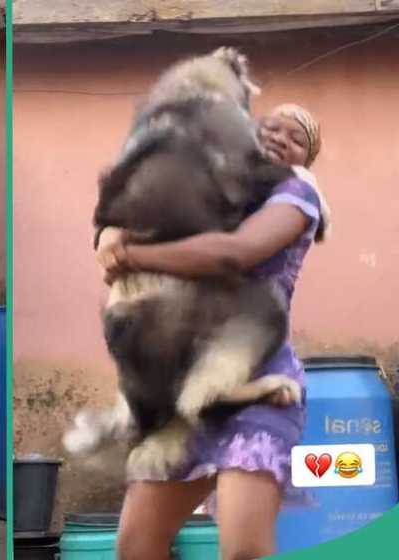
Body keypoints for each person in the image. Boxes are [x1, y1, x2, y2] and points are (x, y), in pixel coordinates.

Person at [96, 103, 327, 560]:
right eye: (272, 127)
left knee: (243, 550)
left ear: (305, 159)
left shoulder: (297, 195)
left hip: (258, 391)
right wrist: (106, 233)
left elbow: (234, 253)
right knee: (135, 546)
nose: (281, 137)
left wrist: (132, 256)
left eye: (296, 137)